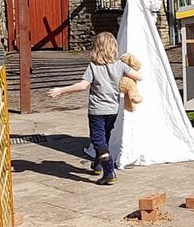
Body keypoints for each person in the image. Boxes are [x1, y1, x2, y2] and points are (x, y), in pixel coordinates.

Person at [48, 31, 142, 185]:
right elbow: (139, 77)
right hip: (113, 110)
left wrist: (61, 90)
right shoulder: (120, 65)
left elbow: (82, 86)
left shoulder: (93, 66)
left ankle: (109, 171)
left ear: (96, 48)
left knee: (98, 140)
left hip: (97, 111)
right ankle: (97, 165)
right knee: (105, 137)